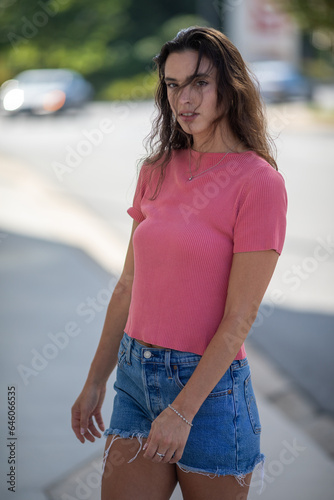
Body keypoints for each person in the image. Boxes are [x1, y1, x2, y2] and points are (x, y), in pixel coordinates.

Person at [71, 26, 287, 500]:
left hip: (209, 393)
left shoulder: (259, 183)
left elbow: (239, 319)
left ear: (230, 88)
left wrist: (184, 410)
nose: (183, 99)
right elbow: (128, 285)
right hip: (133, 377)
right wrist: (95, 380)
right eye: (172, 85)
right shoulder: (155, 170)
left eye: (199, 83)